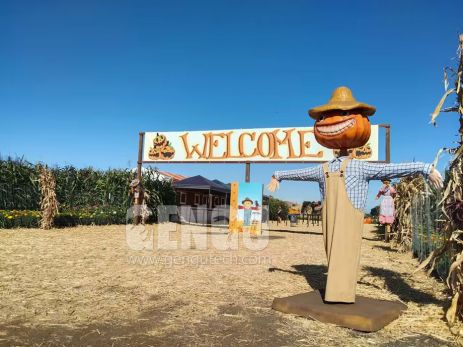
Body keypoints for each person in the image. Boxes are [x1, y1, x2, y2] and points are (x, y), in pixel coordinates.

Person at [267, 86, 443, 303]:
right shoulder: (323, 169)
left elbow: (392, 169)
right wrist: (278, 175)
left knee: (346, 252)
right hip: (329, 215)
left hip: (351, 214)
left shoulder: (360, 167)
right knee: (332, 251)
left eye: (343, 114)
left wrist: (425, 168)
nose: (331, 122)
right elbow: (301, 172)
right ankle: (335, 292)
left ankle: (340, 295)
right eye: (324, 117)